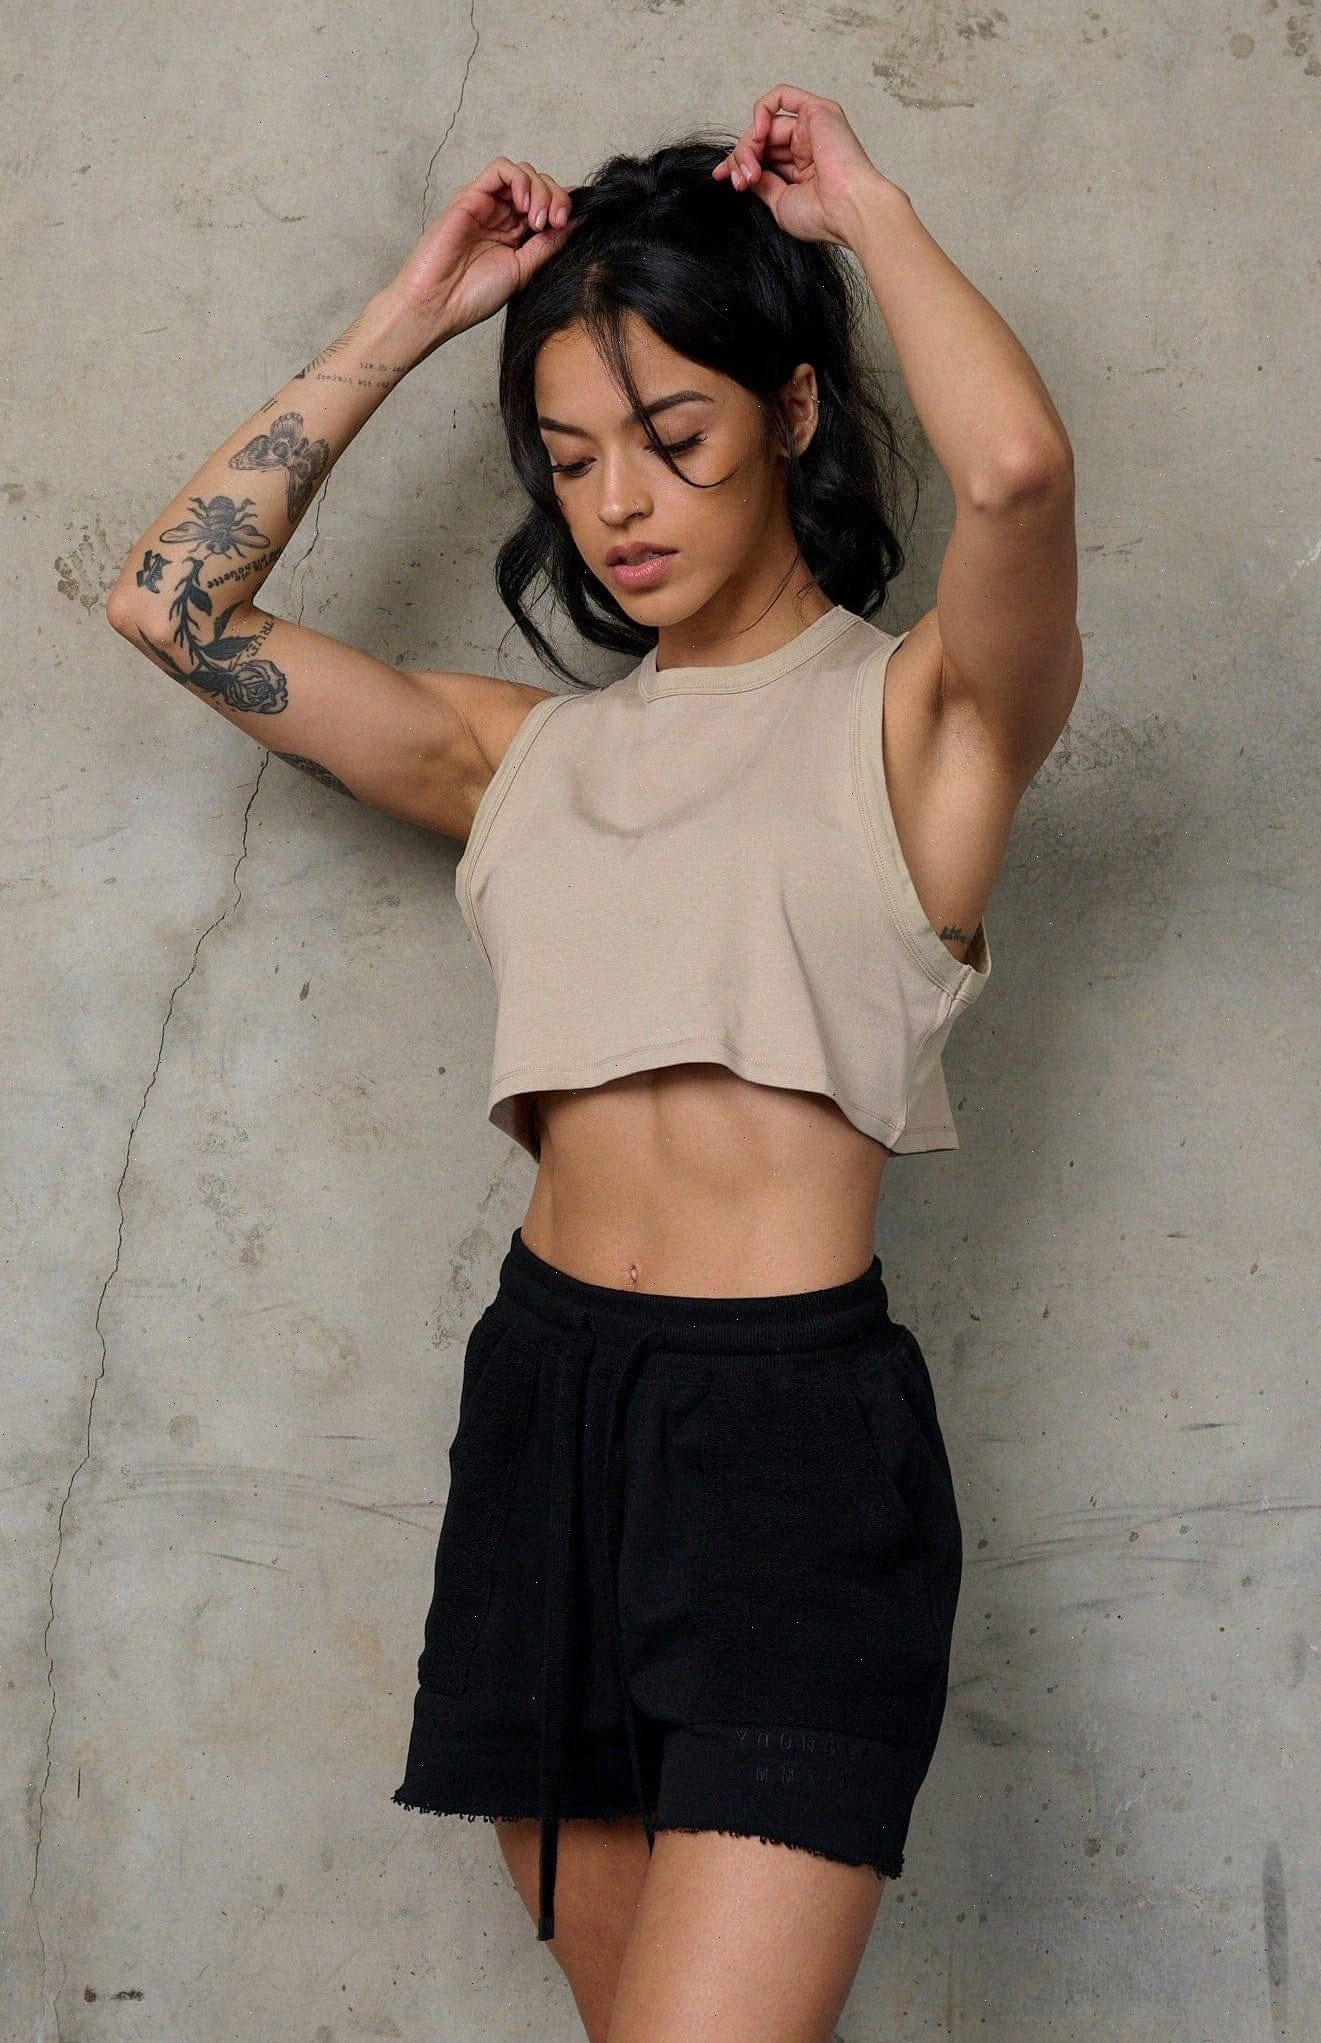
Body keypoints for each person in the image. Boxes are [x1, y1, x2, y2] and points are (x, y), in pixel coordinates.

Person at [107, 82, 1080, 2043]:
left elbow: (1016, 475)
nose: (618, 504)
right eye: (569, 460)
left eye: (673, 438)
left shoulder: (926, 723)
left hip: (790, 1455)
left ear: (790, 413)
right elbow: (172, 603)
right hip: (542, 1419)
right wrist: (415, 312)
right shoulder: (519, 756)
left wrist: (868, 215)